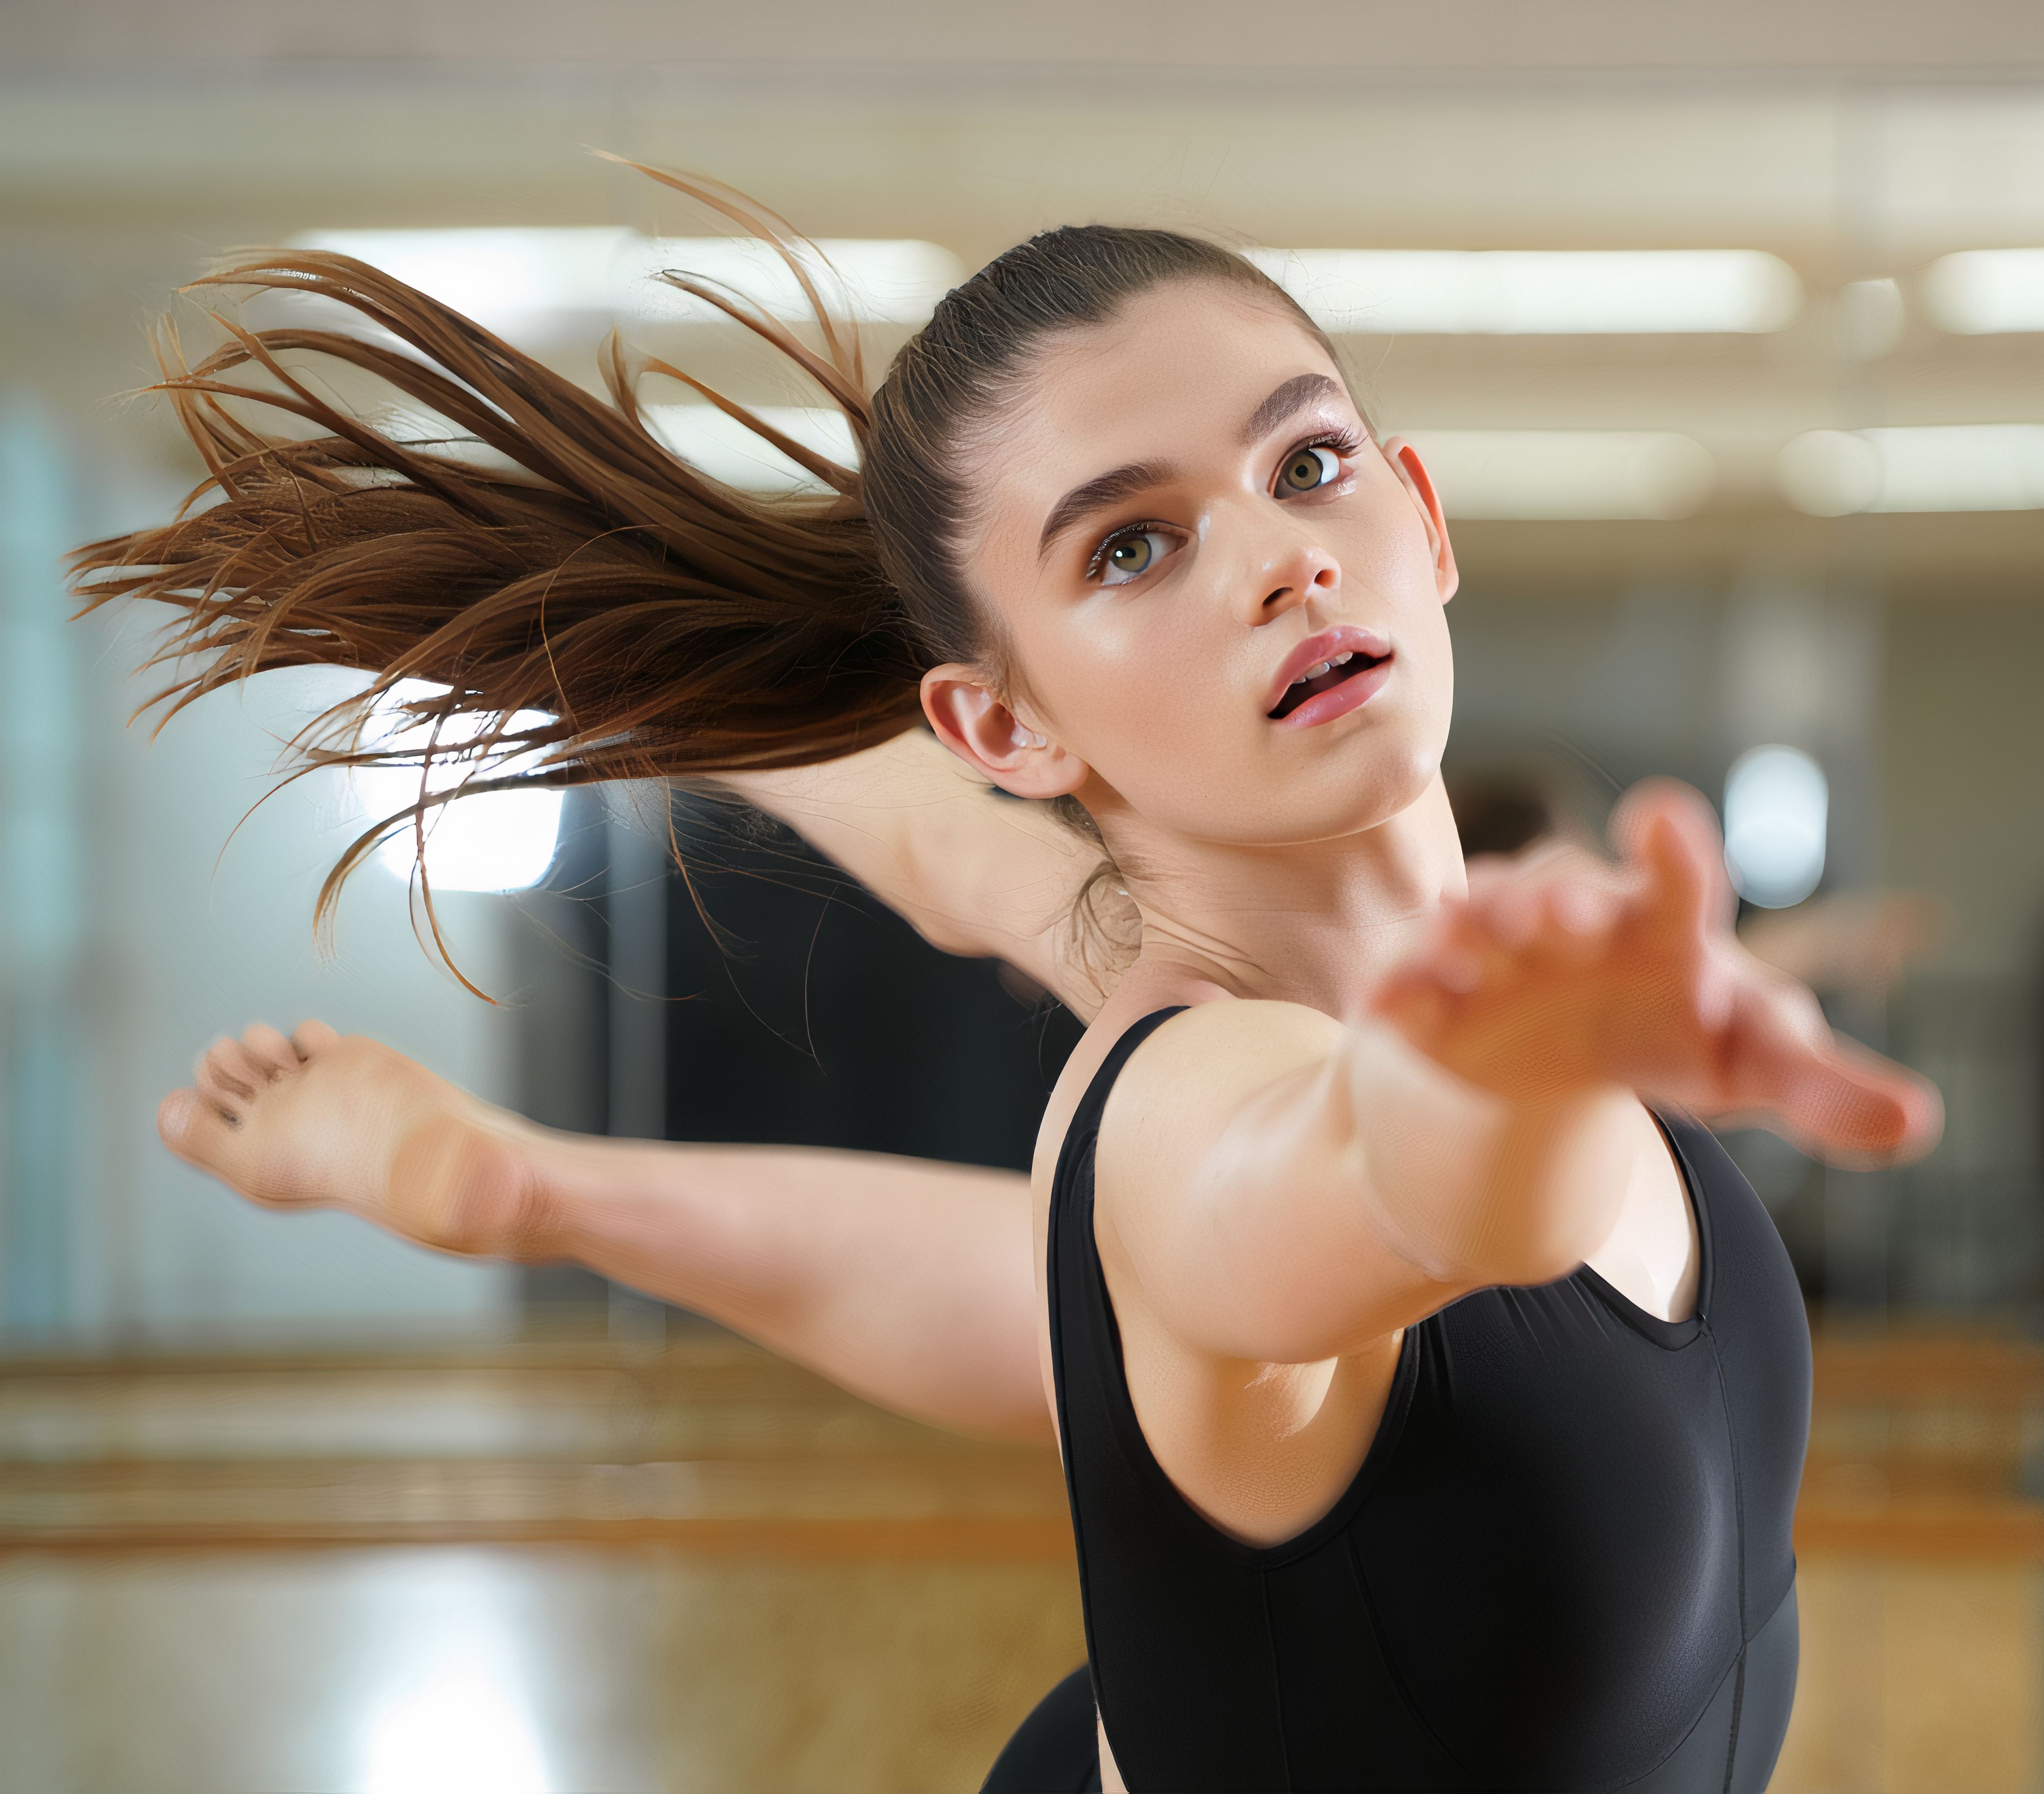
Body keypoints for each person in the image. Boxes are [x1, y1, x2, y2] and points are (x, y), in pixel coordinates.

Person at [78, 180, 1940, 1790]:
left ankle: (537, 1184)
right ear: (1001, 718)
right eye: (1138, 544)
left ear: (1425, 523)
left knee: (1106, 1248)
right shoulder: (1198, 1125)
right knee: (1159, 1287)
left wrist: (626, 662)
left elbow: (979, 863)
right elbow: (1394, 1182)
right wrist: (1515, 1087)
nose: (1281, 559)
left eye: (1309, 463)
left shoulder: (1178, 918)